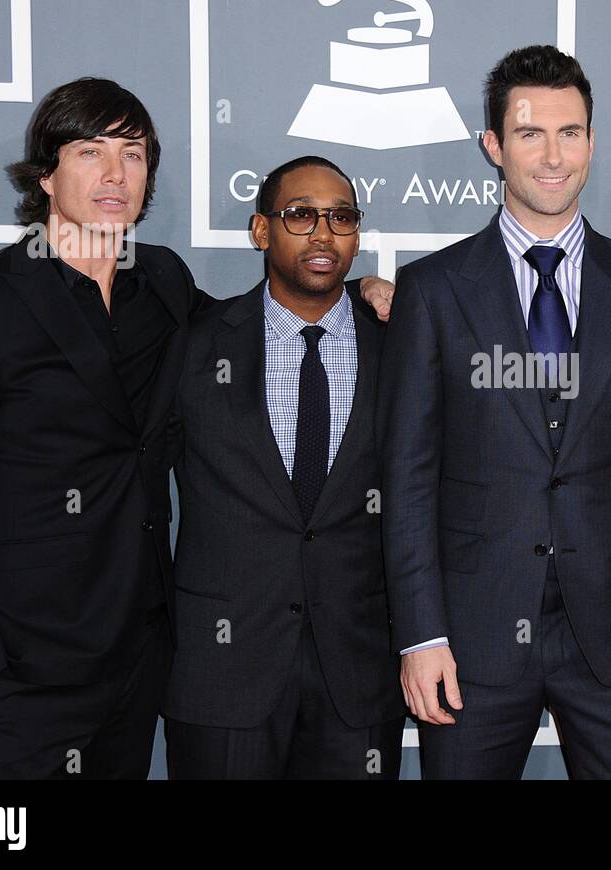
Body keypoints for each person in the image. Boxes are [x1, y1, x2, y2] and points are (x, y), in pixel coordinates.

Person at [378, 45, 611, 779]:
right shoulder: (432, 290)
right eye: (529, 134)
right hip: (471, 639)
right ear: (493, 146)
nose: (553, 156)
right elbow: (408, 479)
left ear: (591, 140)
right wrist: (420, 636)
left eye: (571, 133)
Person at [0, 77, 205, 778]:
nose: (113, 174)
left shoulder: (162, 283)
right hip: (21, 677)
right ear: (46, 173)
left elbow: (254, 327)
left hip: (137, 662)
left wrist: (355, 290)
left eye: (132, 154)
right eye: (89, 151)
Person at [162, 156, 404, 779]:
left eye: (342, 217)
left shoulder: (404, 344)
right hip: (223, 672)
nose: (324, 234)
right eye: (300, 215)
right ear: (261, 230)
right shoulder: (193, 342)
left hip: (359, 677)